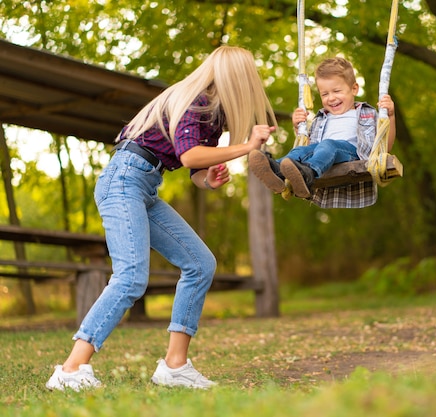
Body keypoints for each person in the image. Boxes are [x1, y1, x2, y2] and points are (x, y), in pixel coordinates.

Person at [45, 46, 277, 391]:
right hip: (123, 179)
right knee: (131, 277)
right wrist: (247, 148)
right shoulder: (197, 100)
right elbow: (189, 155)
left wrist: (208, 180)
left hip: (145, 184)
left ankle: (175, 366)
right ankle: (70, 370)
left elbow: (195, 167)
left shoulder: (214, 113)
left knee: (200, 263)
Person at [248, 56, 395, 208]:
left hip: (353, 154)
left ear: (354, 89)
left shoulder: (367, 113)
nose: (331, 98)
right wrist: (298, 128)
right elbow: (310, 147)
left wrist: (390, 115)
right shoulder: (320, 118)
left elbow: (385, 146)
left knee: (328, 145)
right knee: (300, 150)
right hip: (324, 152)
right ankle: (276, 170)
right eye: (325, 94)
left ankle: (308, 173)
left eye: (336, 91)